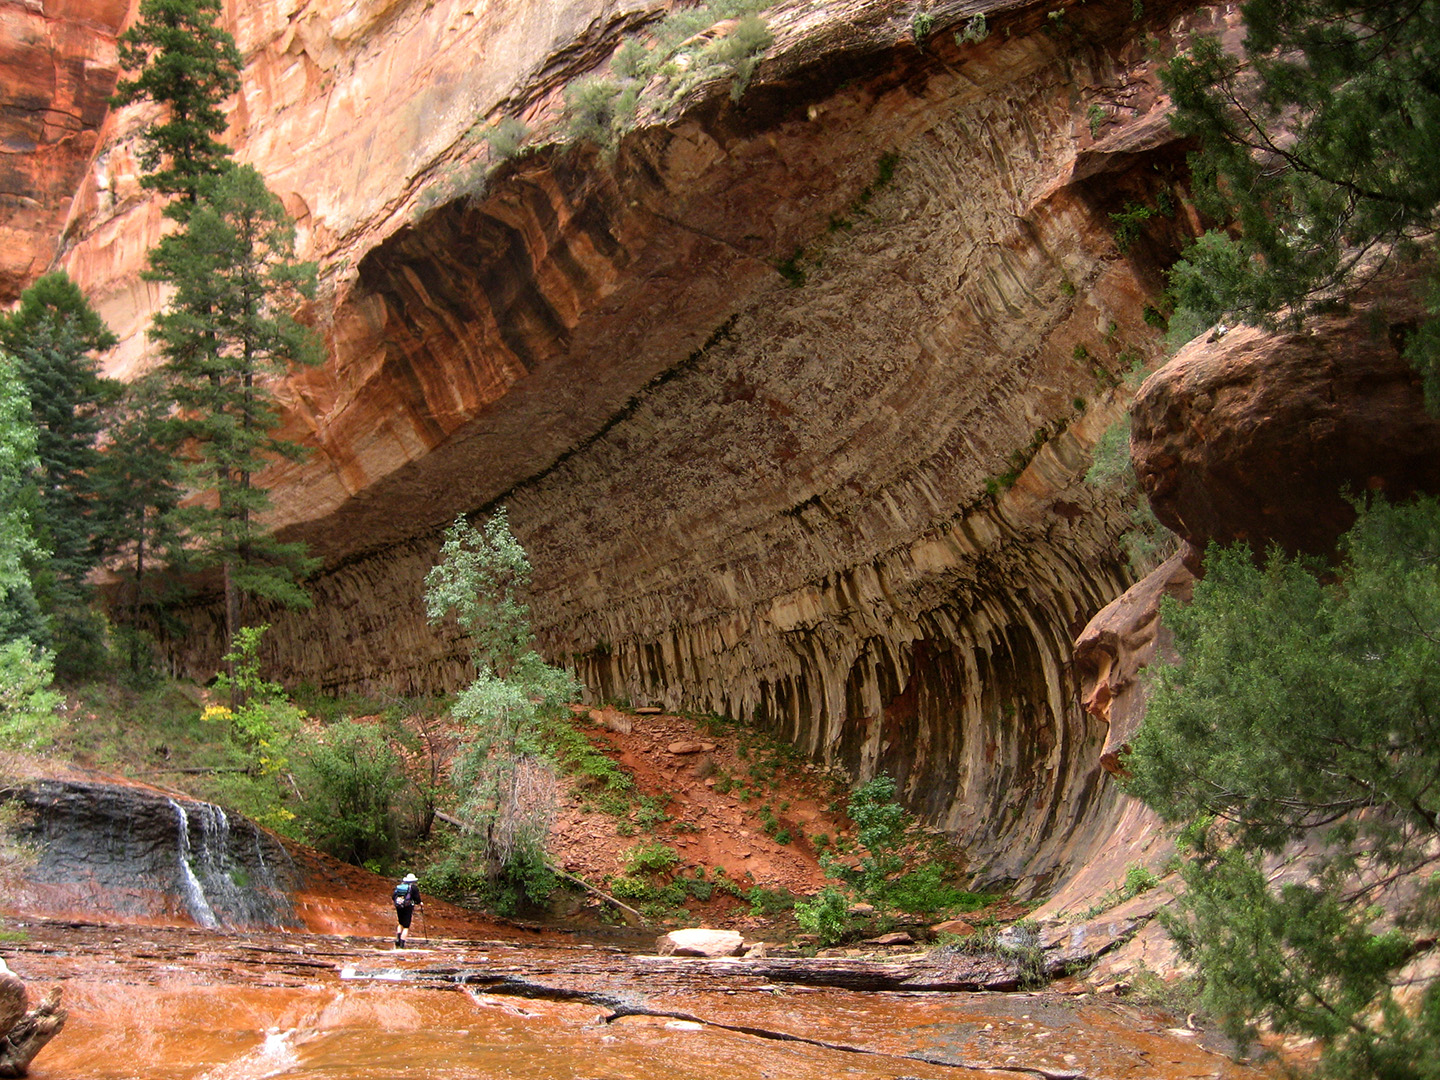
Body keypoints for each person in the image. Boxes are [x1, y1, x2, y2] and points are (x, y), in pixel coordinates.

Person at [392, 872, 422, 948]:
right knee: (406, 926)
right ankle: (402, 943)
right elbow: (417, 899)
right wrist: (419, 903)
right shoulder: (413, 888)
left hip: (399, 906)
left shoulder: (400, 886)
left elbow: (393, 896)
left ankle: (398, 938)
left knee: (400, 923)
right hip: (408, 907)